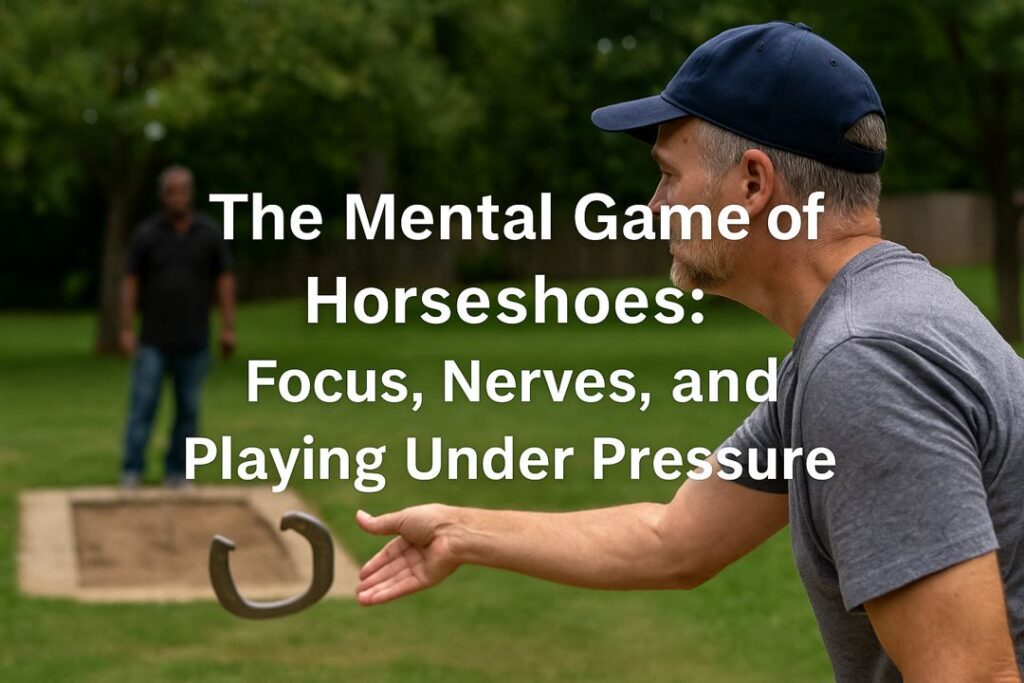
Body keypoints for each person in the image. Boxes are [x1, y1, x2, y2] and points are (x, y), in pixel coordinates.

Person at [354, 22, 1024, 682]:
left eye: (670, 177)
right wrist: (460, 530)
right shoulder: (871, 322)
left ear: (753, 185)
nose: (653, 208)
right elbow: (675, 540)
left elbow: (971, 674)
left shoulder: (866, 361)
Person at [119, 165, 236, 488]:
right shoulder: (147, 235)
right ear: (163, 195)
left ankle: (178, 472)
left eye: (182, 191)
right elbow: (131, 281)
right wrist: (126, 327)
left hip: (194, 340)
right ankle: (132, 469)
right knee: (142, 407)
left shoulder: (208, 234)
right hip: (153, 340)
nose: (177, 197)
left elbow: (224, 280)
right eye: (171, 191)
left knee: (188, 411)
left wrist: (228, 327)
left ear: (190, 193)